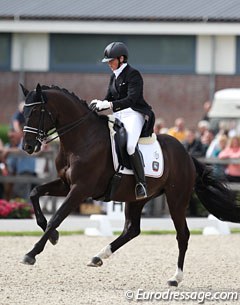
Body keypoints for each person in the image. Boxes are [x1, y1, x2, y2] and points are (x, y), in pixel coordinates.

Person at [90, 41, 155, 200]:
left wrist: (110, 104)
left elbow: (132, 99)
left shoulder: (133, 74)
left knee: (131, 145)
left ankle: (141, 183)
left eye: (111, 61)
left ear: (121, 58)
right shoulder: (114, 77)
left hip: (134, 114)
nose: (109, 64)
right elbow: (109, 97)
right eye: (108, 62)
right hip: (118, 115)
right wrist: (99, 103)